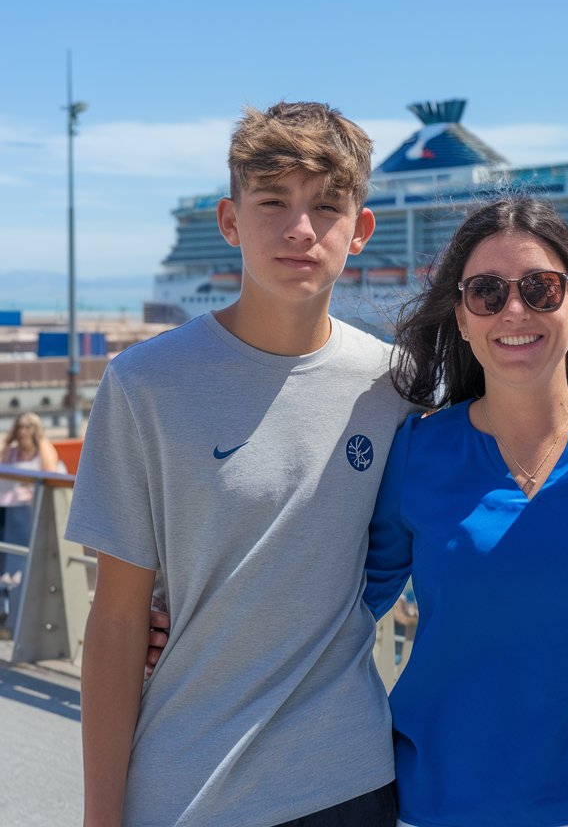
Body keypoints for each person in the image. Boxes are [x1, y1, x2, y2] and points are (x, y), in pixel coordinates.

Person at [66, 102, 413, 827]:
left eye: (326, 207)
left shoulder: (395, 385)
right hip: (187, 786)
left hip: (348, 783)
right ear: (230, 222)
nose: (300, 229)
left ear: (360, 230)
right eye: (273, 203)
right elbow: (118, 624)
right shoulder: (144, 384)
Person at [362, 196, 568, 827]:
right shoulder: (417, 452)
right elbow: (341, 607)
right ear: (463, 319)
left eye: (542, 288)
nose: (514, 310)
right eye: (487, 292)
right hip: (438, 805)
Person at [0, 411, 60, 623]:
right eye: (21, 427)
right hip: (8, 511)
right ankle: (6, 614)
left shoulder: (42, 450)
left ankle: (20, 616)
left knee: (22, 563)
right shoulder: (12, 452)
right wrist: (8, 439)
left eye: (28, 427)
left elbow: (51, 471)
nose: (24, 431)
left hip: (30, 513)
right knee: (6, 563)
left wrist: (40, 438)